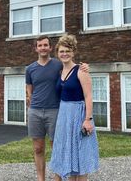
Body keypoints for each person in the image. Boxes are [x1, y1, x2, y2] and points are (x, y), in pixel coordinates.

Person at [26, 35, 88, 181]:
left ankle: (58, 177)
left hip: (55, 111)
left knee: (58, 147)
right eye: (40, 45)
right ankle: (41, 178)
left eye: (45, 45)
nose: (43, 48)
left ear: (50, 47)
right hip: (35, 112)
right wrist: (31, 102)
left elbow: (72, 67)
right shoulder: (30, 69)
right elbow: (29, 89)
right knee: (38, 148)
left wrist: (84, 66)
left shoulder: (57, 64)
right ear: (36, 48)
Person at [49, 34, 99, 181]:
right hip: (64, 116)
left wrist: (88, 120)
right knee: (66, 153)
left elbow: (89, 96)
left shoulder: (81, 71)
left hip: (79, 115)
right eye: (61, 51)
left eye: (68, 51)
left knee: (80, 155)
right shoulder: (59, 71)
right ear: (57, 53)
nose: (64, 54)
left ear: (73, 52)